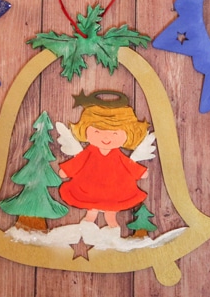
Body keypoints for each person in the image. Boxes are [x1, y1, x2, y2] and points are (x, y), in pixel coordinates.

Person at [58, 92, 150, 228]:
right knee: (91, 210)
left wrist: (139, 172)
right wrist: (67, 171)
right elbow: (78, 162)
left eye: (115, 133)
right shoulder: (89, 152)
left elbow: (129, 164)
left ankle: (112, 228)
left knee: (111, 211)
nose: (106, 138)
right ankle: (87, 226)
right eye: (97, 132)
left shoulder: (118, 155)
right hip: (89, 188)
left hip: (114, 189)